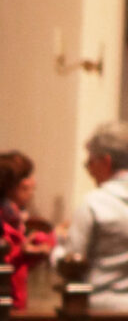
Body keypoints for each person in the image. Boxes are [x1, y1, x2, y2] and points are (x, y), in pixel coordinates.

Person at [52, 122, 128, 311]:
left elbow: (71, 262)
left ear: (106, 161)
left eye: (90, 162)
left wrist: (56, 245)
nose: (89, 170)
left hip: (101, 310)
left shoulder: (95, 203)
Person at [0, 151, 54, 310]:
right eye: (26, 176)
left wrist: (40, 245)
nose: (33, 183)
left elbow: (19, 264)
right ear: (8, 185)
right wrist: (22, 253)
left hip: (13, 302)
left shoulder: (15, 217)